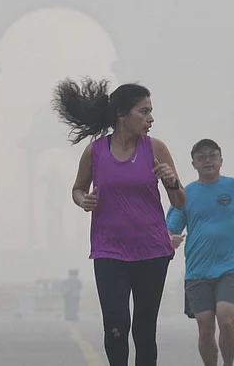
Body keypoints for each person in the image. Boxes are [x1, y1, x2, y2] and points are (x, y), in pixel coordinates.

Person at [54, 79, 185, 366]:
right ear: (122, 116)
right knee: (116, 326)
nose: (151, 119)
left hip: (152, 251)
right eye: (144, 111)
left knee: (143, 330)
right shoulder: (96, 152)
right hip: (109, 251)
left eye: (151, 112)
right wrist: (82, 200)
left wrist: (171, 181)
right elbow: (78, 188)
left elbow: (180, 202)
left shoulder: (156, 148)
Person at [165, 138, 234, 366]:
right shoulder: (185, 194)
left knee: (225, 320)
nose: (208, 161)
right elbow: (169, 229)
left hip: (230, 267)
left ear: (221, 160)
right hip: (197, 271)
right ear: (193, 164)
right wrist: (170, 238)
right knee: (205, 327)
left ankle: (228, 364)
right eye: (201, 157)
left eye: (213, 155)